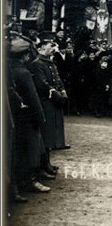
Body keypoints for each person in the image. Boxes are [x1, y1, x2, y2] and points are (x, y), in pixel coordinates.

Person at [8, 35, 52, 195]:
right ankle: (29, 181)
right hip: (27, 117)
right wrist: (41, 118)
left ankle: (19, 184)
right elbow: (33, 98)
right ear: (25, 55)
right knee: (30, 151)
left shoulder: (9, 69)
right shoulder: (24, 73)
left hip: (14, 116)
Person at [30, 31, 70, 159]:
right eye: (50, 45)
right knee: (46, 133)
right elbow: (42, 84)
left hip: (54, 102)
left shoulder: (50, 63)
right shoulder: (37, 64)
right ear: (41, 47)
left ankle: (47, 163)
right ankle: (43, 163)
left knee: (52, 133)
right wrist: (57, 96)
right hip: (46, 101)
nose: (53, 48)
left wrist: (63, 92)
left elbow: (58, 79)